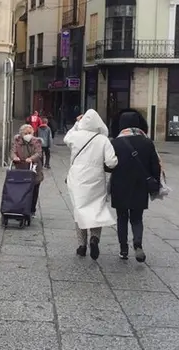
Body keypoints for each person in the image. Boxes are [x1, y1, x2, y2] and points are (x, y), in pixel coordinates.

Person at [64, 109, 118, 260]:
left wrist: (76, 123)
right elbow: (111, 162)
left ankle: (82, 245)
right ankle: (94, 238)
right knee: (96, 209)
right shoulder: (102, 139)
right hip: (96, 177)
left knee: (79, 210)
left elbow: (66, 138)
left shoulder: (75, 136)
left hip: (78, 177)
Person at [109, 110, 161, 262]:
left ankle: (123, 249)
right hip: (140, 185)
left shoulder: (116, 143)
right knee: (137, 218)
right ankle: (138, 244)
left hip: (120, 185)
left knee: (122, 217)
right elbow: (155, 166)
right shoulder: (147, 142)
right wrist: (155, 184)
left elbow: (109, 165)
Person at [10, 124, 44, 215]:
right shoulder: (17, 141)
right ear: (21, 134)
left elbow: (38, 153)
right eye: (25, 133)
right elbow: (13, 151)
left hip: (34, 169)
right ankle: (21, 207)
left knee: (34, 190)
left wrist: (31, 159)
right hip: (21, 168)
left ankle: (32, 209)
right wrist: (14, 157)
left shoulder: (37, 141)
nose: (28, 135)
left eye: (30, 133)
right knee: (21, 190)